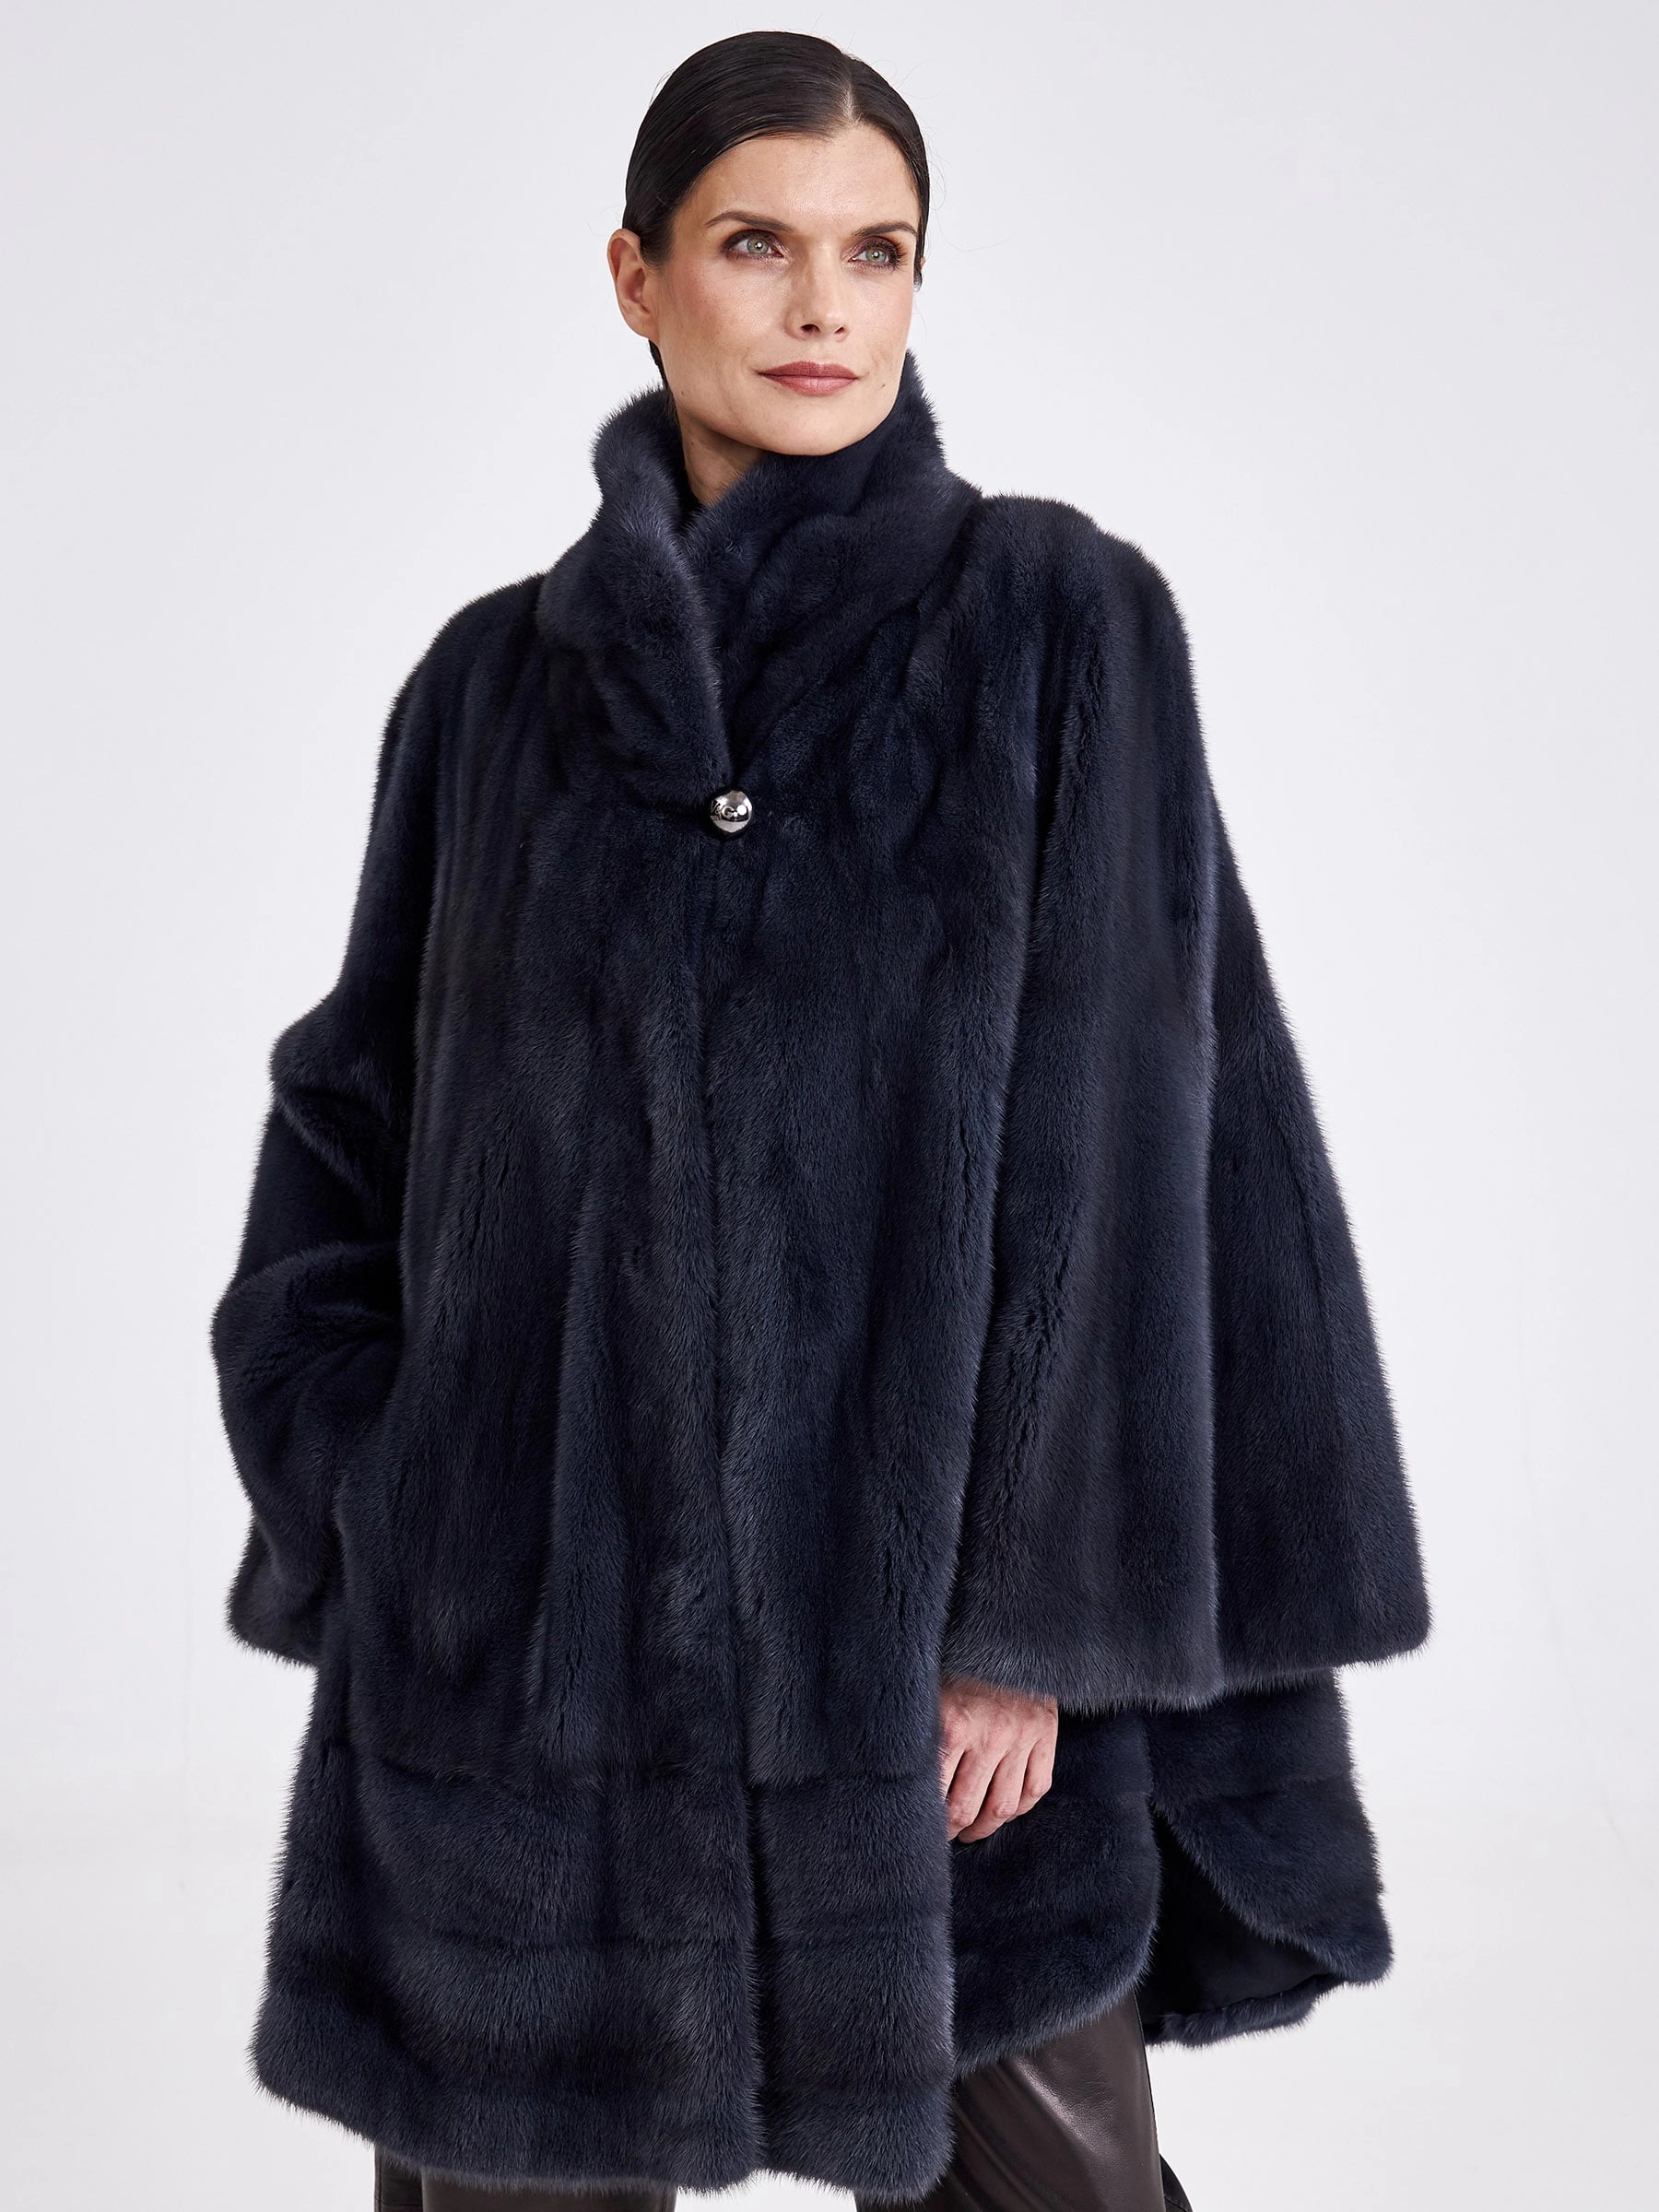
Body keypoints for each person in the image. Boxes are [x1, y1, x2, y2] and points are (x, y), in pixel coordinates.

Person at [211, 31, 1430, 2212]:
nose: (822, 307)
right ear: (637, 274)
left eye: (878, 252)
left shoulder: (1056, 622)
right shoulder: (491, 691)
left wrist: (1035, 1626)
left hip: (933, 1687)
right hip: (524, 1674)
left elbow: (1131, 1150)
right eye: (756, 244)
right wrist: (382, 1495)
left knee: (1054, 2178)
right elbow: (351, 1124)